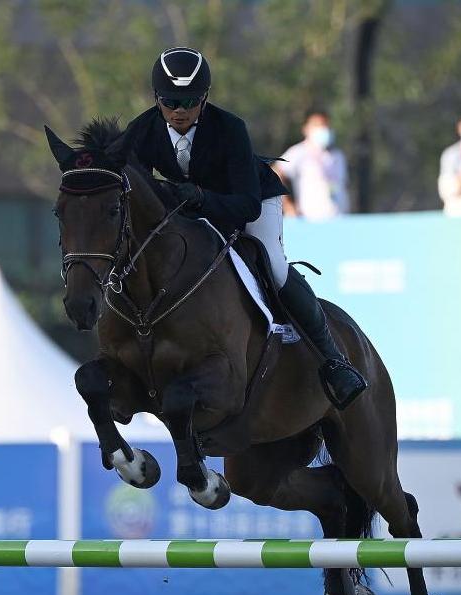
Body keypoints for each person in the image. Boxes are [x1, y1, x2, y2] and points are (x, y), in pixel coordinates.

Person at [125, 47, 366, 409]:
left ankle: (334, 361)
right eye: (170, 101)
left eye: (189, 101)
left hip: (250, 203)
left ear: (204, 98)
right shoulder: (141, 132)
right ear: (156, 98)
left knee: (273, 264)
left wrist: (201, 198)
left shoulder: (230, 129)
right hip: (190, 210)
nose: (179, 111)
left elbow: (247, 204)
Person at [274, 109, 349, 221]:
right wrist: (288, 206)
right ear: (306, 129)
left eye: (325, 125)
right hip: (309, 222)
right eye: (317, 126)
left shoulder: (338, 155)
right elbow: (275, 173)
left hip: (339, 219)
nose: (323, 129)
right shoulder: (298, 152)